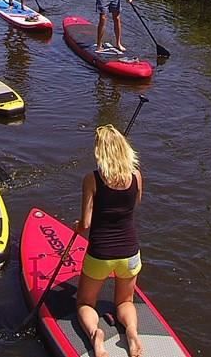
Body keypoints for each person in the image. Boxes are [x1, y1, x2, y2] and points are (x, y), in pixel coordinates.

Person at [74, 125, 144, 357]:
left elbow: (85, 224)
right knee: (125, 302)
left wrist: (77, 225)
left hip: (101, 254)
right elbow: (134, 205)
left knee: (85, 302)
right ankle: (131, 331)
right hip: (130, 252)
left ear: (99, 152)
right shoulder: (136, 177)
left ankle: (95, 333)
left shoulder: (92, 179)